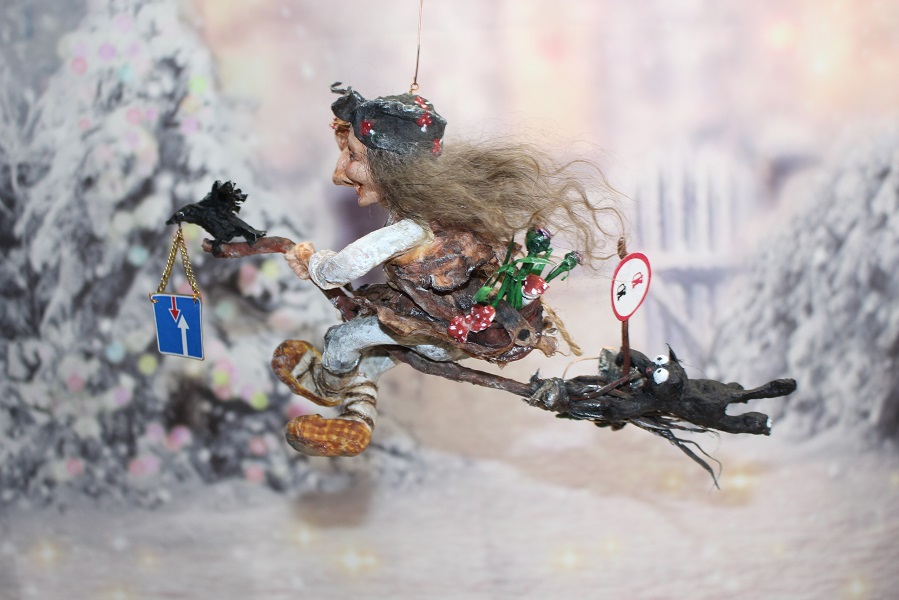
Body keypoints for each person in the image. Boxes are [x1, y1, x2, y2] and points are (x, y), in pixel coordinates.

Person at [274, 83, 620, 457]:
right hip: (437, 319)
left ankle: (326, 384)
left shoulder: (410, 230)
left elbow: (338, 271)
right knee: (375, 350)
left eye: (354, 156)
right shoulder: (434, 211)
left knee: (342, 338)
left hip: (442, 332)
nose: (340, 174)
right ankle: (358, 420)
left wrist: (313, 259)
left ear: (390, 166)